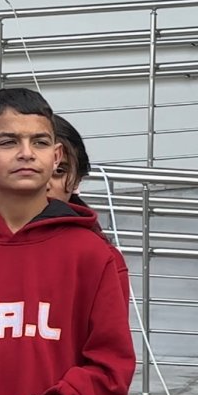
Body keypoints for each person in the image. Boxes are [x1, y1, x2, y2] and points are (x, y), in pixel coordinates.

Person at [0, 89, 135, 395]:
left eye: (40, 142)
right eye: (8, 142)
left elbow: (111, 366)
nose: (26, 153)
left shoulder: (92, 255)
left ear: (56, 156)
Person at [48, 113, 131, 304]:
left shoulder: (99, 257)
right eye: (33, 168)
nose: (44, 182)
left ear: (77, 180)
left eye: (59, 171)